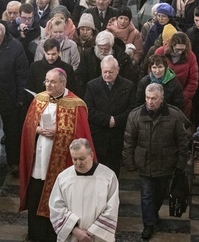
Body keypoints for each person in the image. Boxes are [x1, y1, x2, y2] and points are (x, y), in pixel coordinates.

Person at [19, 68, 94, 242]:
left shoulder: (76, 104)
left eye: (53, 82)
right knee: (36, 193)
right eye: (46, 81)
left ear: (63, 83)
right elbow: (28, 125)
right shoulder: (39, 99)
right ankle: (36, 234)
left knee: (59, 197)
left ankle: (56, 234)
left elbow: (81, 136)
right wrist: (37, 129)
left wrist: (58, 132)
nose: (48, 85)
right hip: (39, 156)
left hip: (61, 159)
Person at [123, 83, 189, 240]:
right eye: (147, 98)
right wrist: (129, 162)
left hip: (165, 163)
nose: (150, 101)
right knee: (146, 194)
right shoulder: (135, 115)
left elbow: (182, 142)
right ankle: (148, 225)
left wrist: (180, 164)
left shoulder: (174, 115)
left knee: (160, 194)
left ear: (162, 98)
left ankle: (153, 214)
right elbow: (129, 141)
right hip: (144, 163)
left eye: (154, 98)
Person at [49, 138, 120, 242]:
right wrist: (75, 230)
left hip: (98, 237)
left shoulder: (108, 176)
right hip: (72, 236)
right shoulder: (63, 178)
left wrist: (91, 232)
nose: (78, 163)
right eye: (74, 159)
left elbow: (112, 208)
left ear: (91, 155)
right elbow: (56, 207)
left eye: (82, 159)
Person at [0, 21, 30, 178]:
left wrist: (20, 98)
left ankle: (13, 162)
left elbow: (22, 75)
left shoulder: (16, 47)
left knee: (12, 131)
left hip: (9, 95)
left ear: (4, 36)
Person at [83, 55, 136, 175]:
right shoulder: (92, 85)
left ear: (117, 70)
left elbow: (132, 109)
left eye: (111, 72)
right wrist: (107, 120)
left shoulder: (128, 86)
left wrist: (116, 120)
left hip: (118, 134)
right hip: (99, 135)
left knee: (114, 171)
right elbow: (88, 109)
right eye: (104, 71)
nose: (107, 74)